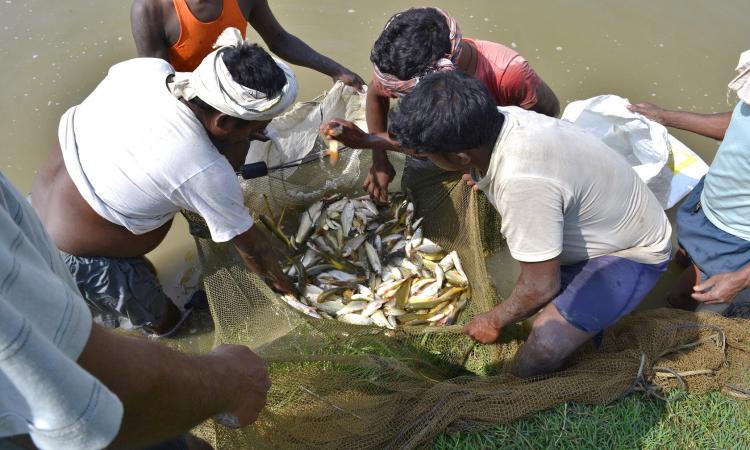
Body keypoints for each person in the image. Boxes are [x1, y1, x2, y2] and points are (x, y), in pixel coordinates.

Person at [382, 71, 672, 377]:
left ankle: (510, 395)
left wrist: (492, 320)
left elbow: (540, 287)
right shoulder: (498, 118)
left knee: (545, 344)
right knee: (533, 295)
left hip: (632, 252)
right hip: (606, 221)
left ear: (460, 157)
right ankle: (584, 320)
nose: (426, 160)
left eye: (428, 156)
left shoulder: (522, 183)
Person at [31, 28, 296, 337]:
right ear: (222, 122)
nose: (259, 134)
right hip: (87, 261)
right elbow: (252, 247)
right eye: (256, 129)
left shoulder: (147, 71)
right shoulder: (203, 170)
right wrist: (287, 290)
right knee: (169, 324)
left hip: (34, 208)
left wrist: (243, 135)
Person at [0, 171, 270, 450]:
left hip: (55, 240)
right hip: (90, 265)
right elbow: (90, 396)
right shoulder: (198, 162)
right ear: (222, 124)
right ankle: (173, 330)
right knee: (164, 321)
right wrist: (230, 379)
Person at [325, 7, 559, 202]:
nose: (393, 87)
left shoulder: (508, 74)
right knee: (416, 191)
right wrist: (379, 159)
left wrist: (490, 166)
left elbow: (548, 116)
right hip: (437, 144)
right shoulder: (401, 71)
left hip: (491, 148)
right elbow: (376, 92)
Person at [628, 49, 750, 317]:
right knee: (681, 257)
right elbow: (737, 122)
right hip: (706, 202)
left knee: (683, 296)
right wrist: (666, 117)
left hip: (734, 237)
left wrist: (741, 278)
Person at [130, 0, 364, 90]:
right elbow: (160, 86)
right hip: (189, 101)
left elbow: (279, 39)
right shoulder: (150, 10)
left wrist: (337, 70)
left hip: (237, 91)